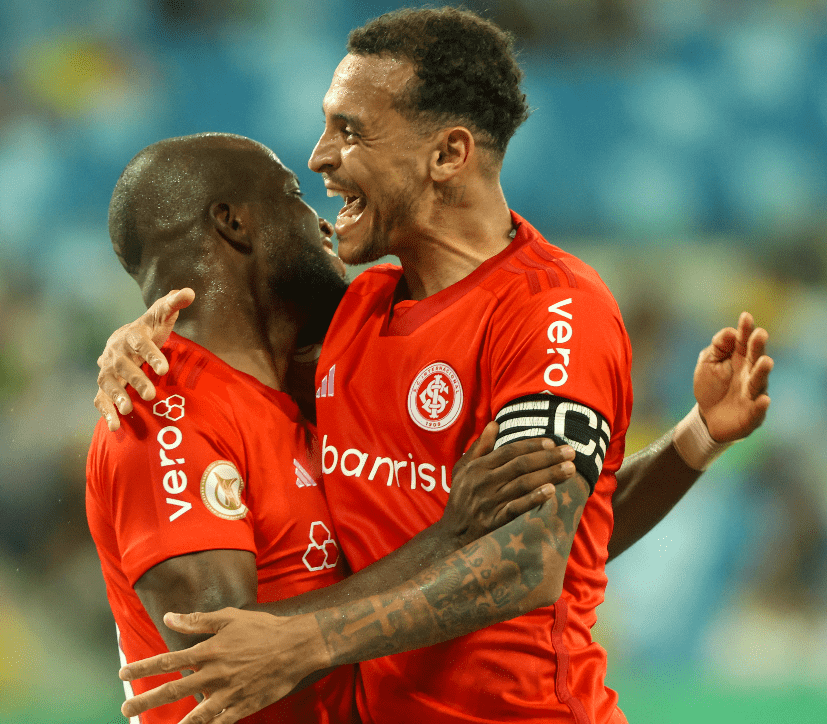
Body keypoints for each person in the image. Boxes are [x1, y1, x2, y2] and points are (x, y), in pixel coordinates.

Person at [94, 8, 774, 724]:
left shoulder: (549, 312)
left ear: (448, 154)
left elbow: (532, 553)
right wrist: (144, 344)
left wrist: (302, 641)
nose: (320, 157)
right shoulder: (357, 312)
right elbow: (229, 368)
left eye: (350, 130)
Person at [87, 132, 585, 724]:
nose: (323, 225)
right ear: (233, 223)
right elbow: (221, 658)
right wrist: (448, 540)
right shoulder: (158, 414)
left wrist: (697, 440)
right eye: (294, 196)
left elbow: (546, 533)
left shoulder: (316, 390)